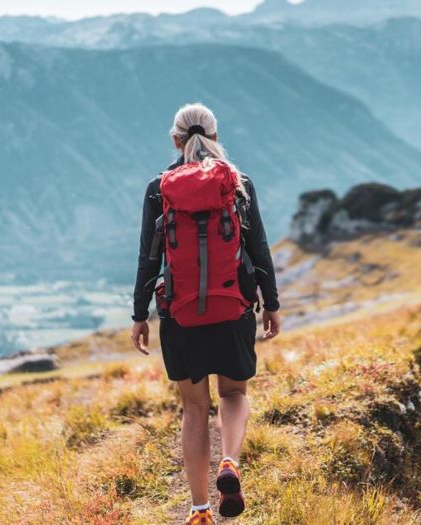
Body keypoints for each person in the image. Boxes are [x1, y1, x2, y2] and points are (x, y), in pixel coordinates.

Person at [131, 103, 281, 525]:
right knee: (233, 394)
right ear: (215, 136)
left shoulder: (159, 188)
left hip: (179, 315)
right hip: (232, 307)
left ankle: (199, 511)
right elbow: (259, 250)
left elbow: (148, 258)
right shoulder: (239, 183)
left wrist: (139, 314)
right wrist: (271, 303)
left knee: (194, 409)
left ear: (175, 140)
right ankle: (229, 462)